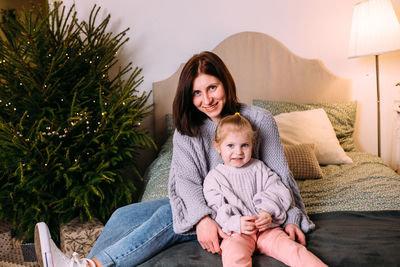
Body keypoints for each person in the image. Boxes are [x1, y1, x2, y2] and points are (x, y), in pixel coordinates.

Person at [34, 51, 314, 267]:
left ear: (226, 84)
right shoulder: (187, 130)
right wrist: (202, 218)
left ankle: (92, 265)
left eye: (212, 87)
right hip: (209, 203)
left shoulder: (259, 120)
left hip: (239, 213)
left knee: (172, 212)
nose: (206, 99)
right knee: (124, 214)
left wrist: (290, 218)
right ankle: (83, 265)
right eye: (196, 92)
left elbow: (280, 178)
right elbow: (187, 183)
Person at [203, 113, 326, 267]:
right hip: (237, 234)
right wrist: (236, 222)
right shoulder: (214, 178)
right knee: (233, 257)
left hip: (268, 229)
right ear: (217, 146)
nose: (238, 152)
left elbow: (278, 190)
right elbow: (215, 210)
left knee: (294, 250)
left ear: (252, 144)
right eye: (230, 145)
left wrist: (267, 211)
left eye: (244, 145)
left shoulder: (259, 167)